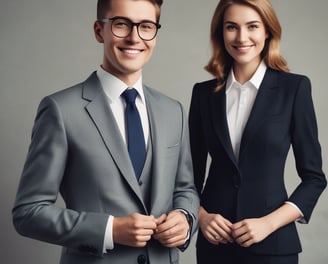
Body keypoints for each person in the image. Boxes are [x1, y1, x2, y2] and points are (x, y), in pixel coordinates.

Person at [12, 0, 199, 263]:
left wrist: (185, 217)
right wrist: (109, 230)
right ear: (99, 30)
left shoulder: (173, 111)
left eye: (146, 26)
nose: (135, 38)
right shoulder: (61, 110)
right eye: (121, 24)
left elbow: (185, 188)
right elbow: (28, 212)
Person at [188, 0, 327, 263]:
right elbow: (187, 178)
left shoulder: (294, 89)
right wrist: (202, 217)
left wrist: (268, 224)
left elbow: (314, 178)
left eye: (252, 26)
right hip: (215, 246)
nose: (242, 37)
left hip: (274, 247)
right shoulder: (203, 94)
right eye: (231, 27)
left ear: (268, 31)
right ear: (221, 33)